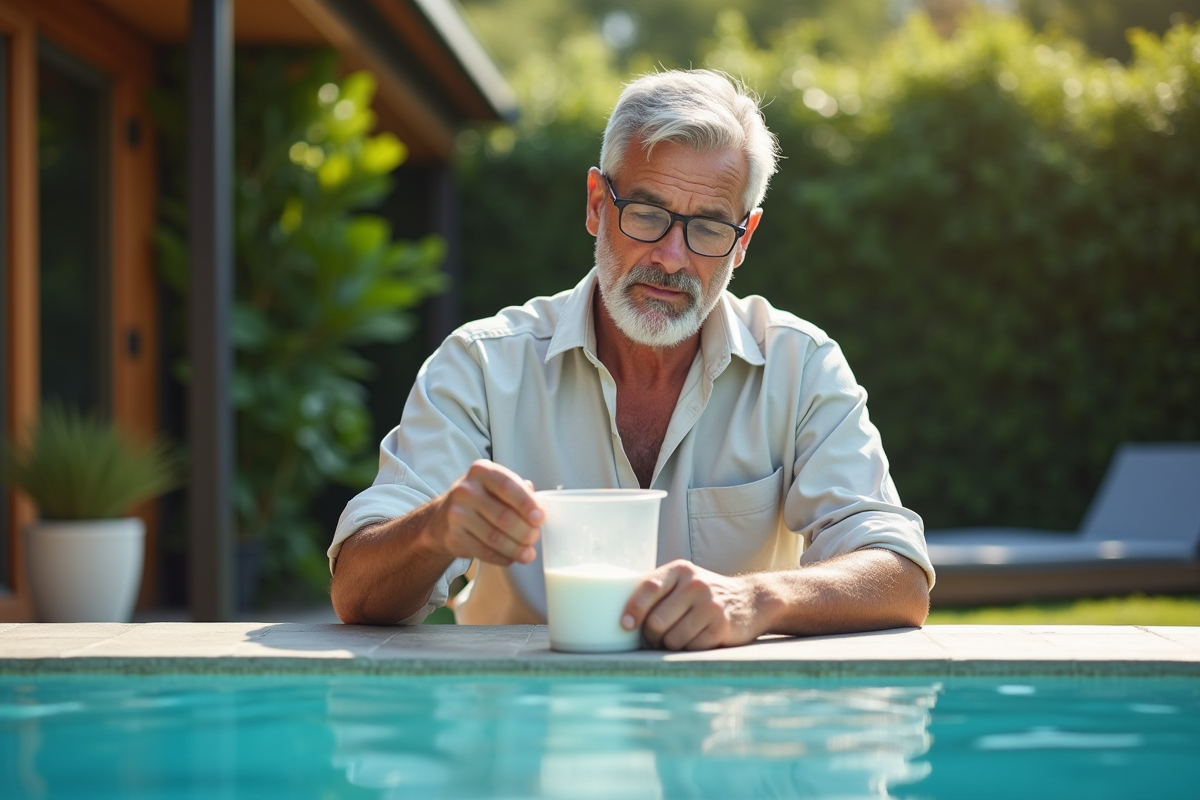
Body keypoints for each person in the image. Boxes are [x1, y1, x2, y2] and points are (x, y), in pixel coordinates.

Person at [329, 69, 934, 650]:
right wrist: (434, 529)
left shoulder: (800, 366)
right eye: (646, 214)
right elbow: (355, 591)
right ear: (597, 203)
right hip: (521, 714)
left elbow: (900, 573)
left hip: (726, 717)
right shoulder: (483, 367)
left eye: (708, 228)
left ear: (743, 240)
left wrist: (756, 600)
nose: (671, 257)